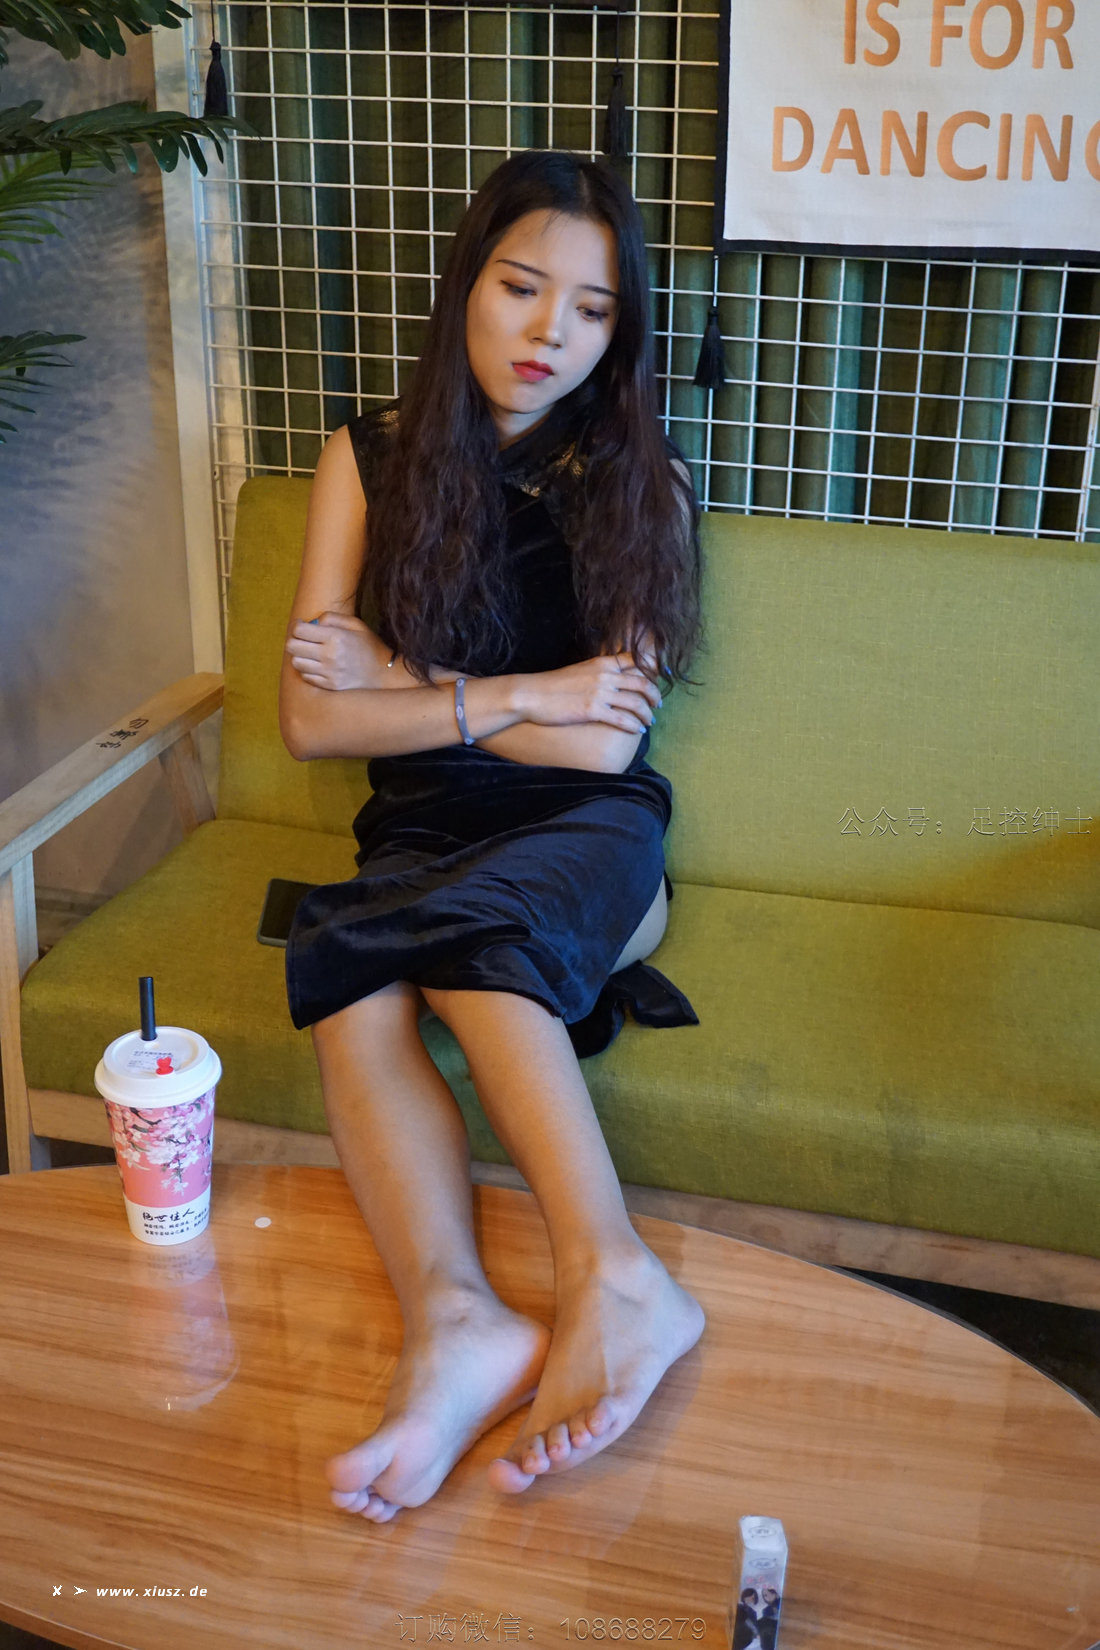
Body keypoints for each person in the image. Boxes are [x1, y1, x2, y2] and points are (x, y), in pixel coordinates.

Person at [278, 148, 707, 1524]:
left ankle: (616, 1274)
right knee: (350, 973)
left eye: (591, 310)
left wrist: (403, 690)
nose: (549, 333)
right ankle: (457, 1319)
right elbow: (310, 719)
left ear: (618, 335)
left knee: (473, 929)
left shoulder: (643, 483)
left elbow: (605, 749)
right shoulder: (366, 460)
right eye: (523, 287)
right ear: (468, 280)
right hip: (421, 826)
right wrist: (521, 695)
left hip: (590, 837)